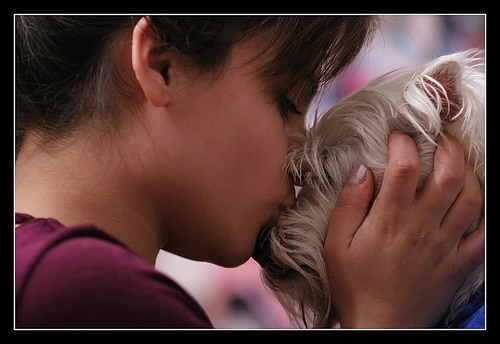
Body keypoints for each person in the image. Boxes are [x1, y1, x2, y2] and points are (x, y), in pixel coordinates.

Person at [15, 15, 485, 329]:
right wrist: (382, 316)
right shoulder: (86, 294)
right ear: (161, 67)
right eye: (285, 103)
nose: (298, 162)